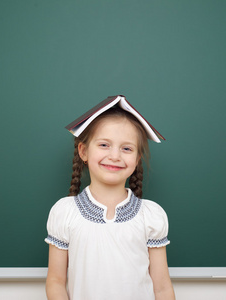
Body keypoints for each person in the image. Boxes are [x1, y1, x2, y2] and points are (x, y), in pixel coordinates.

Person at [45, 96, 175, 300]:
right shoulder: (65, 212)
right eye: (104, 145)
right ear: (84, 151)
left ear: (137, 159)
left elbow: (162, 287)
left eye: (126, 148)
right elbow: (55, 281)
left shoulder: (151, 216)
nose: (115, 156)